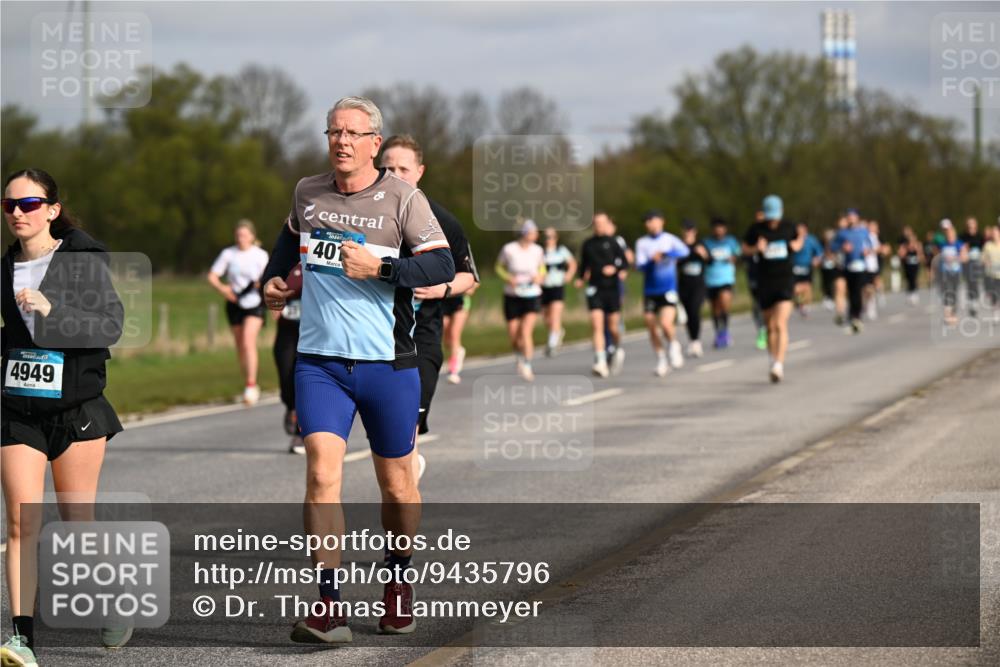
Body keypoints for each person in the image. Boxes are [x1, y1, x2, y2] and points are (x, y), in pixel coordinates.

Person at [260, 97, 454, 643]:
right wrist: (273, 283)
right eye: (334, 132)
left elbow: (439, 263)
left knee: (397, 487)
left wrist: (383, 266)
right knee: (322, 473)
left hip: (388, 364)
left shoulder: (403, 199)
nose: (342, 141)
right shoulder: (308, 192)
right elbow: (284, 251)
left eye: (353, 133)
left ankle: (397, 583)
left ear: (374, 142)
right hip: (320, 363)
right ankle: (328, 604)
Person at [2, 168, 126, 666]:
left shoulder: (82, 262)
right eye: (9, 205)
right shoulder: (4, 268)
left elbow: (110, 327)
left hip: (76, 408)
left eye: (29, 204)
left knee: (77, 525)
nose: (17, 213)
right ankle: (21, 638)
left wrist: (53, 309)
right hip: (18, 408)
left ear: (51, 210)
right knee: (18, 522)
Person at [379, 134, 479, 478]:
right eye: (387, 167)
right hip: (377, 335)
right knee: (390, 430)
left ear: (419, 171)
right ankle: (405, 478)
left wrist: (441, 288)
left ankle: (406, 487)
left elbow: (471, 278)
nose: (394, 174)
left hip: (422, 335)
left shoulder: (442, 221)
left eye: (402, 168)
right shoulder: (366, 215)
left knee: (408, 421)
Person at [742, 195, 805, 382]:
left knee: (780, 323)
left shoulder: (788, 227)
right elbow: (744, 248)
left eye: (775, 217)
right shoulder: (756, 229)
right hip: (765, 283)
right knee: (769, 326)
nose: (772, 221)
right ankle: (772, 359)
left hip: (785, 281)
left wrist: (796, 244)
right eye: (769, 217)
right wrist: (756, 249)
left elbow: (799, 240)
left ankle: (779, 364)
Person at [207, 220, 269, 405]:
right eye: (238, 235)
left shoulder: (260, 255)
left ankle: (251, 384)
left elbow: (268, 275)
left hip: (254, 302)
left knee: (249, 340)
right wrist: (223, 289)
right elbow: (212, 276)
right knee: (241, 345)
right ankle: (248, 383)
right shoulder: (228, 254)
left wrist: (261, 283)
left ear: (252, 236)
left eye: (244, 234)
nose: (241, 238)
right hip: (234, 302)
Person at [635, 210, 689, 377]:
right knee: (651, 326)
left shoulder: (669, 239)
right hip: (650, 290)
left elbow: (685, 252)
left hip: (668, 288)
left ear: (661, 221)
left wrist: (666, 254)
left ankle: (674, 344)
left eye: (652, 220)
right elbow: (639, 266)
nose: (650, 224)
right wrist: (652, 261)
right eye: (647, 221)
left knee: (666, 324)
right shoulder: (642, 243)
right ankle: (661, 358)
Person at [577, 211, 628, 377]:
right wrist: (580, 279)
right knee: (597, 325)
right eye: (596, 223)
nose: (599, 226)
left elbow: (624, 264)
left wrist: (615, 269)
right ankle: (600, 361)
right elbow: (583, 266)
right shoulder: (588, 244)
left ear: (607, 224)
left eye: (602, 222)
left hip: (611, 288)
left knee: (613, 326)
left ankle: (617, 347)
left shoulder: (614, 243)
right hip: (595, 288)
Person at [495, 219, 544, 381]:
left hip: (532, 294)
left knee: (525, 331)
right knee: (514, 334)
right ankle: (518, 355)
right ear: (525, 233)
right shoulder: (509, 249)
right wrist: (508, 277)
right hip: (513, 295)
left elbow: (542, 268)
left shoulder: (538, 250)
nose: (536, 235)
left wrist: (540, 276)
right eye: (533, 232)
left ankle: (527, 365)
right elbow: (499, 267)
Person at [274, 262, 304, 454]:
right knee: (286, 374)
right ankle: (290, 405)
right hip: (287, 330)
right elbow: (268, 282)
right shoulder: (285, 259)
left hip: (313, 332)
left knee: (304, 378)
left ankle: (301, 433)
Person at [702, 218, 741, 348]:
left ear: (725, 229)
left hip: (726, 279)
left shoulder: (731, 241)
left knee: (724, 302)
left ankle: (725, 331)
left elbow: (738, 254)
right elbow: (701, 257)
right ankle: (718, 333)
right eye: (716, 227)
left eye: (721, 227)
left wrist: (733, 258)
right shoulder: (706, 242)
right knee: (715, 309)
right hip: (711, 279)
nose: (718, 230)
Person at [833, 211, 873, 334]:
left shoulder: (863, 231)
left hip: (860, 266)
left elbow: (870, 245)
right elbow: (833, 246)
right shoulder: (842, 233)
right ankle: (853, 317)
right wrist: (842, 248)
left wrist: (867, 251)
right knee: (850, 293)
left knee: (859, 292)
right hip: (847, 267)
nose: (851, 220)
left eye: (853, 217)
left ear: (857, 219)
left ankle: (857, 317)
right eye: (849, 218)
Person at [540, 227, 576, 357]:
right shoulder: (540, 252)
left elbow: (572, 263)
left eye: (551, 237)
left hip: (557, 285)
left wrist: (569, 275)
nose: (548, 240)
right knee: (546, 316)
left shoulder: (561, 251)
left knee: (555, 315)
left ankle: (552, 343)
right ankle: (557, 332)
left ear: (556, 238)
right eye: (546, 237)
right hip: (544, 287)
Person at [676, 219, 708, 357]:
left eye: (690, 229)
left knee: (695, 311)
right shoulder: (679, 246)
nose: (688, 232)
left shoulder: (700, 244)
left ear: (695, 231)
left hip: (698, 285)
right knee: (689, 314)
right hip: (684, 285)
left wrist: (704, 254)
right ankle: (692, 340)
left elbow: (710, 260)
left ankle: (697, 341)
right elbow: (675, 263)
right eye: (686, 229)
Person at [934, 221, 967, 326]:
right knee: (946, 293)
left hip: (956, 272)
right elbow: (937, 257)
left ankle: (953, 314)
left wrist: (955, 258)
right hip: (944, 273)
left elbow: (965, 257)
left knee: (954, 293)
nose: (949, 236)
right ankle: (947, 315)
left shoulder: (959, 244)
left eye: (951, 234)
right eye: (947, 234)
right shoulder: (942, 245)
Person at [745, 210, 768, 350]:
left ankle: (768, 328)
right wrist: (756, 249)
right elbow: (744, 251)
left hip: (771, 277)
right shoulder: (751, 235)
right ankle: (762, 329)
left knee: (768, 305)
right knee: (757, 305)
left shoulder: (773, 234)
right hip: (754, 276)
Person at [791, 222, 824, 317]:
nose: (800, 232)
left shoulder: (811, 240)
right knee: (796, 288)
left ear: (806, 230)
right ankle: (799, 302)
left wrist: (817, 259)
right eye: (798, 230)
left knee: (807, 287)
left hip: (807, 266)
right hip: (795, 266)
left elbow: (819, 252)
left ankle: (804, 305)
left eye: (802, 230)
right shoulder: (793, 239)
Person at [959, 216, 984, 317]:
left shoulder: (980, 236)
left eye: (972, 225)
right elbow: (960, 249)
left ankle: (975, 302)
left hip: (977, 263)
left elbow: (983, 249)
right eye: (969, 225)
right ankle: (972, 301)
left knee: (975, 282)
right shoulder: (962, 237)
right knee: (969, 282)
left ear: (976, 226)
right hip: (967, 263)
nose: (970, 227)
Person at [897, 226, 924, 305]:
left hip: (915, 265)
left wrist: (917, 251)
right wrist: (906, 250)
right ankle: (909, 293)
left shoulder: (918, 245)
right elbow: (901, 254)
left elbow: (921, 255)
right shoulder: (905, 246)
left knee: (914, 278)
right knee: (908, 279)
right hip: (907, 265)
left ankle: (914, 293)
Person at [982, 224, 1000, 309]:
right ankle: (995, 310)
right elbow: (982, 258)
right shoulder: (988, 245)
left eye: (996, 232)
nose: (994, 234)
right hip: (991, 274)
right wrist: (986, 261)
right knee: (993, 294)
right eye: (993, 233)